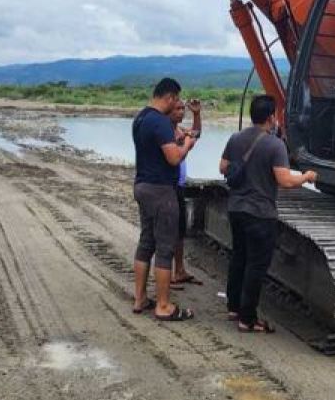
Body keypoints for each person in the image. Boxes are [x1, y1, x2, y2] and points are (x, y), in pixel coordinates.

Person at [218, 95, 317, 333]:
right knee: (256, 265)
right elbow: (284, 180)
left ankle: (233, 307)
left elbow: (223, 167)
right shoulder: (275, 145)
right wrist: (306, 177)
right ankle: (248, 319)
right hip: (260, 213)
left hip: (236, 209)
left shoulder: (236, 137)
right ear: (272, 117)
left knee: (239, 258)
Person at [132, 77, 197, 320]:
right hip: (161, 190)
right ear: (169, 97)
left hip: (142, 185)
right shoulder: (160, 122)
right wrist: (187, 144)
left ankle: (140, 299)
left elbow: (156, 150)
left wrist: (177, 141)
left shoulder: (141, 118)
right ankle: (163, 305)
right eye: (177, 99)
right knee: (165, 247)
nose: (178, 104)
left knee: (146, 242)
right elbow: (172, 159)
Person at [170, 96, 203, 288]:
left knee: (180, 231)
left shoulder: (179, 131)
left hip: (179, 186)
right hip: (171, 187)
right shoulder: (169, 133)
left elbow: (196, 134)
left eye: (183, 109)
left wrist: (196, 114)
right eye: (178, 109)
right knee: (171, 232)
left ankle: (179, 269)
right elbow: (189, 142)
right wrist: (186, 142)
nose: (182, 112)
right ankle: (170, 274)